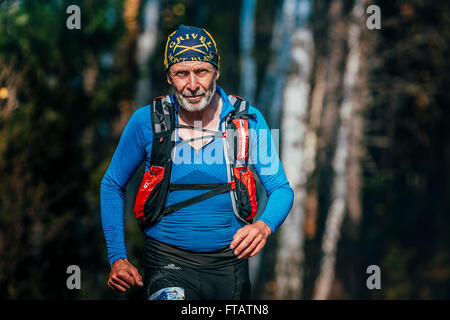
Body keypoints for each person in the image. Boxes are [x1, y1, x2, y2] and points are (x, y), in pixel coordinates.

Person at [100, 24, 294, 300]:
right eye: (181, 73)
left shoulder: (247, 121)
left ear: (217, 71)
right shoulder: (147, 121)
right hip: (167, 262)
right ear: (169, 76)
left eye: (201, 71)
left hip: (230, 266)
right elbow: (112, 184)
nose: (192, 85)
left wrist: (264, 226)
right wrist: (117, 257)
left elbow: (281, 189)